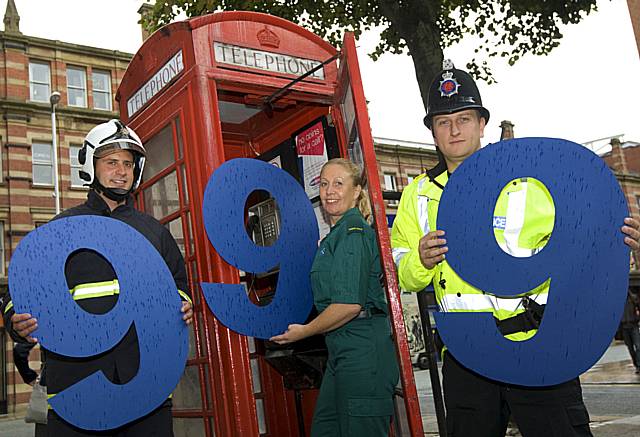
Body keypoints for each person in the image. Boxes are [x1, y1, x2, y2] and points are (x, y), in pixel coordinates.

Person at [390, 62, 640, 437]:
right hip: (466, 353)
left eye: (464, 118)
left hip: (538, 345)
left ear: (481, 123)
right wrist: (419, 262)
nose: (454, 129)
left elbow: (581, 238)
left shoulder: (525, 182)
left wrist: (621, 238)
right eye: (443, 122)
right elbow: (398, 267)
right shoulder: (416, 196)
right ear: (433, 131)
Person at [1, 119, 193, 436]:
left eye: (128, 164)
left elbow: (179, 289)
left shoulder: (155, 232)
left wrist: (182, 308)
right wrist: (16, 324)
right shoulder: (60, 228)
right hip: (75, 388)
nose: (121, 171)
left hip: (145, 389)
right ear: (92, 165)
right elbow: (17, 295)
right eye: (112, 162)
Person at [270, 158, 399, 437]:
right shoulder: (334, 238)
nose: (329, 191)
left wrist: (303, 332)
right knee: (325, 429)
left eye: (339, 184)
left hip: (363, 350)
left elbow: (348, 305)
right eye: (324, 184)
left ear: (356, 191)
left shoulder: (352, 234)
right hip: (340, 350)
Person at [620, 290, 640, 374]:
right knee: (630, 349)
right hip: (624, 327)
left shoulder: (633, 298)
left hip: (633, 325)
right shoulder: (618, 301)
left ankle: (639, 365)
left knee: (638, 346)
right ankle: (636, 365)